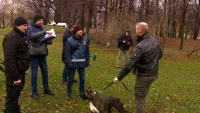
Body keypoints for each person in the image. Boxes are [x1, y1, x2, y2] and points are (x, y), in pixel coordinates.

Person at [113, 22, 162, 113]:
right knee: (142, 96)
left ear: (139, 30)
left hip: (144, 76)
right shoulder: (155, 41)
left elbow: (129, 64)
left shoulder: (140, 46)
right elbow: (160, 55)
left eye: (136, 29)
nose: (135, 31)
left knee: (139, 98)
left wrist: (119, 77)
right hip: (153, 75)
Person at [3, 17, 29, 113]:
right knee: (12, 97)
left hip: (20, 71)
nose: (26, 28)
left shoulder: (20, 36)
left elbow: (22, 55)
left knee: (15, 96)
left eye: (27, 25)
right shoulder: (12, 38)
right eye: (24, 25)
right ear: (17, 25)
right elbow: (9, 60)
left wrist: (25, 68)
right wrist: (15, 77)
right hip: (14, 74)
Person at [27, 14, 55, 99]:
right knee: (34, 74)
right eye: (40, 20)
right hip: (34, 54)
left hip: (42, 53)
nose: (41, 22)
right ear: (35, 20)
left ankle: (46, 89)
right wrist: (44, 32)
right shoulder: (29, 28)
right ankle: (34, 92)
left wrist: (49, 41)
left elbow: (43, 39)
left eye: (42, 20)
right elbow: (32, 36)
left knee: (45, 72)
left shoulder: (42, 28)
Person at [64, 25, 90, 100]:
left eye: (81, 30)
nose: (81, 31)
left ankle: (81, 92)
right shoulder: (69, 40)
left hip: (82, 63)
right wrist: (69, 63)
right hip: (72, 64)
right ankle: (68, 93)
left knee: (82, 79)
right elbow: (67, 53)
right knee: (70, 79)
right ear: (75, 32)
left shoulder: (85, 39)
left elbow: (87, 51)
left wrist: (87, 61)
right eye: (79, 30)